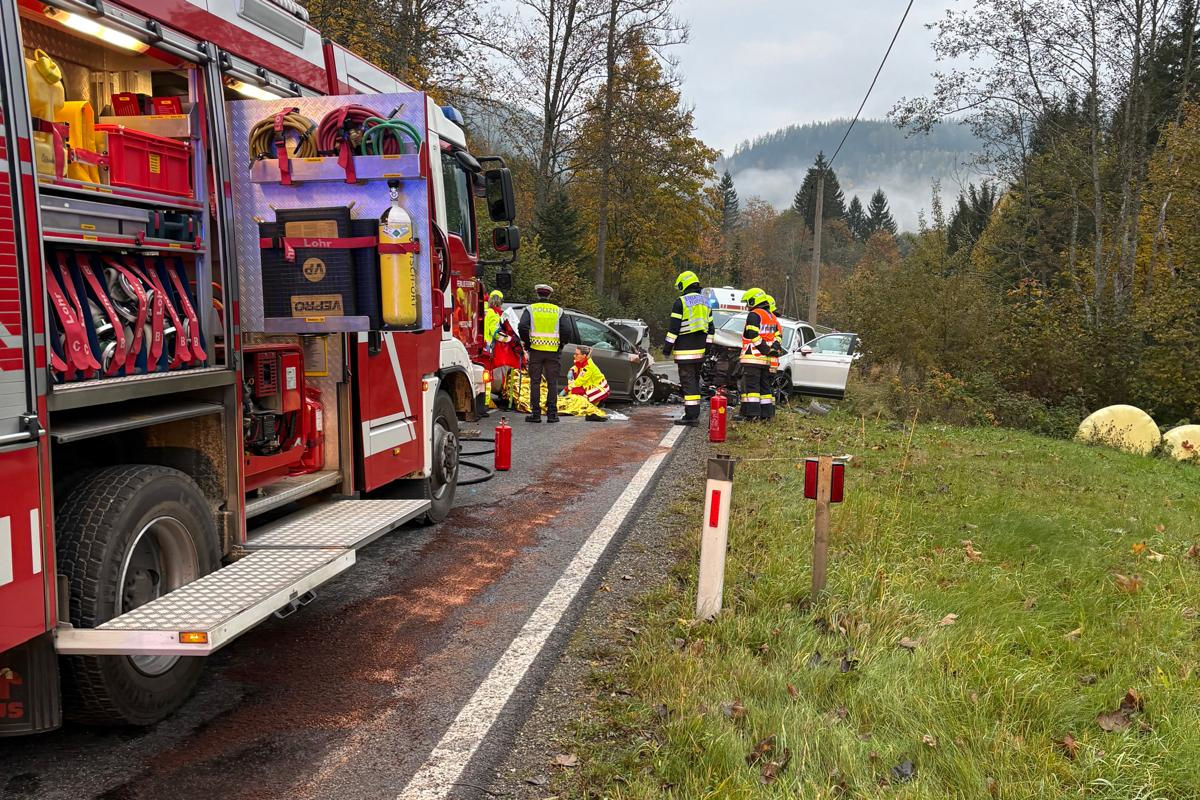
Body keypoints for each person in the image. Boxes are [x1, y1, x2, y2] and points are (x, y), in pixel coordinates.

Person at [663, 270, 713, 426]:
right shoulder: (706, 302)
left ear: (684, 284)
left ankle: (691, 416)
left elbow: (674, 329)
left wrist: (667, 348)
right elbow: (711, 328)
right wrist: (708, 348)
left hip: (685, 351)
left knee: (688, 383)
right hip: (700, 351)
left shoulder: (680, 302)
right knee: (695, 381)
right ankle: (694, 413)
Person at [518, 284, 563, 423]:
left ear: (538, 294)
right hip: (553, 352)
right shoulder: (558, 311)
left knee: (535, 382)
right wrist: (560, 344)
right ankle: (552, 415)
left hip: (536, 350)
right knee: (552, 383)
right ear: (549, 295)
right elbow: (567, 330)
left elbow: (522, 326)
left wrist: (528, 342)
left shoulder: (531, 309)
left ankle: (536, 414)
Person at [737, 288, 774, 421]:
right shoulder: (771, 316)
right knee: (765, 389)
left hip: (753, 357)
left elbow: (752, 334)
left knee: (752, 388)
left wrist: (763, 348)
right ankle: (766, 415)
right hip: (765, 360)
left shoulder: (754, 315)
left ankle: (752, 415)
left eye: (748, 302)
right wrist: (769, 350)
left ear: (754, 300)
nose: (747, 306)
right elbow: (776, 337)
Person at [483, 290, 510, 408]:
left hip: (482, 346)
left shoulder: (485, 312)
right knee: (488, 378)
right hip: (489, 348)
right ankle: (486, 402)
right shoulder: (493, 314)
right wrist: (509, 339)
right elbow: (496, 333)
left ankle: (484, 401)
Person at [760, 294, 783, 421]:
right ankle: (769, 414)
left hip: (768, 361)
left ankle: (767, 414)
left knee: (765, 389)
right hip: (772, 362)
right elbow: (778, 339)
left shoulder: (773, 322)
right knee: (768, 389)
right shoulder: (775, 322)